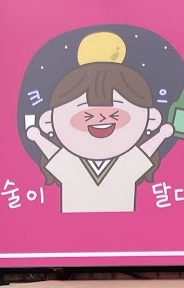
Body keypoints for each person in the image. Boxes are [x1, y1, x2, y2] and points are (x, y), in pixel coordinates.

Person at [26, 61, 175, 213]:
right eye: (84, 109)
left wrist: (162, 135)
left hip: (127, 224)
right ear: (49, 121)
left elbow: (145, 152)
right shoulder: (67, 161)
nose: (101, 117)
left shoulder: (128, 160)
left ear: (151, 118)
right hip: (69, 226)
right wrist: (38, 138)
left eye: (115, 108)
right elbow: (52, 153)